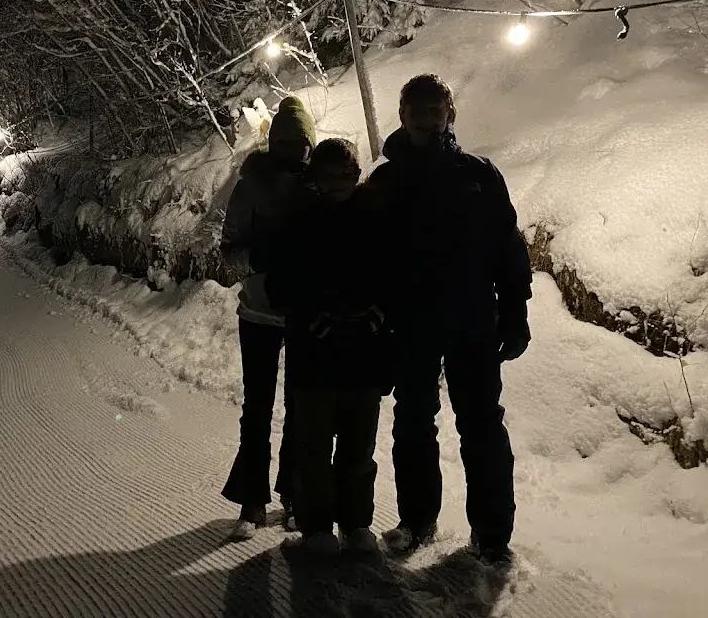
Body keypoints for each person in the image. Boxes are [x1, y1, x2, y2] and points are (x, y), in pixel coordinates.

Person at [369, 74, 532, 565]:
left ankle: (492, 535)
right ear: (402, 116)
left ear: (450, 114)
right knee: (413, 422)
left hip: (472, 319)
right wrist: (374, 322)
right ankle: (417, 521)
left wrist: (516, 310)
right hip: (409, 322)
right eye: (416, 109)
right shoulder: (385, 182)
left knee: (481, 424)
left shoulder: (479, 175)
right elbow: (368, 259)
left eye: (434, 108)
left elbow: (508, 247)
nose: (426, 118)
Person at [266, 138, 394, 556]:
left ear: (357, 175)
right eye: (329, 174)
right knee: (314, 446)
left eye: (346, 173)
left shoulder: (377, 218)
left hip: (364, 350)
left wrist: (379, 315)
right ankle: (317, 526)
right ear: (315, 178)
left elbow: (396, 276)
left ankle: (357, 524)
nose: (338, 182)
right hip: (314, 352)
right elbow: (280, 284)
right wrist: (311, 317)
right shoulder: (298, 222)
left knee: (359, 446)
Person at [220, 95, 316, 540]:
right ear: (272, 142)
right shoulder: (250, 187)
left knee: (302, 407)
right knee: (257, 408)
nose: (292, 150)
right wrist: (260, 259)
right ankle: (252, 500)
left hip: (306, 313)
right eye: (284, 142)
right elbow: (229, 252)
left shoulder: (319, 185)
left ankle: (295, 495)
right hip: (259, 312)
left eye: (299, 142)